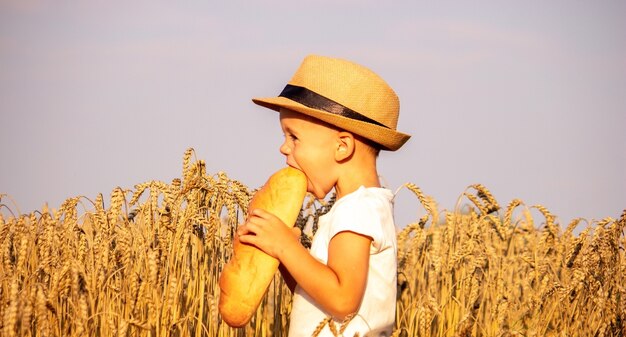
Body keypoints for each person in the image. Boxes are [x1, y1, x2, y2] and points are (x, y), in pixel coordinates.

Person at [237, 55, 411, 337]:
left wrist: (286, 248)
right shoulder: (356, 208)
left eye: (294, 137)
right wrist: (283, 257)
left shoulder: (357, 210)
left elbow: (342, 301)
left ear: (342, 147)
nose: (283, 148)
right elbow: (317, 297)